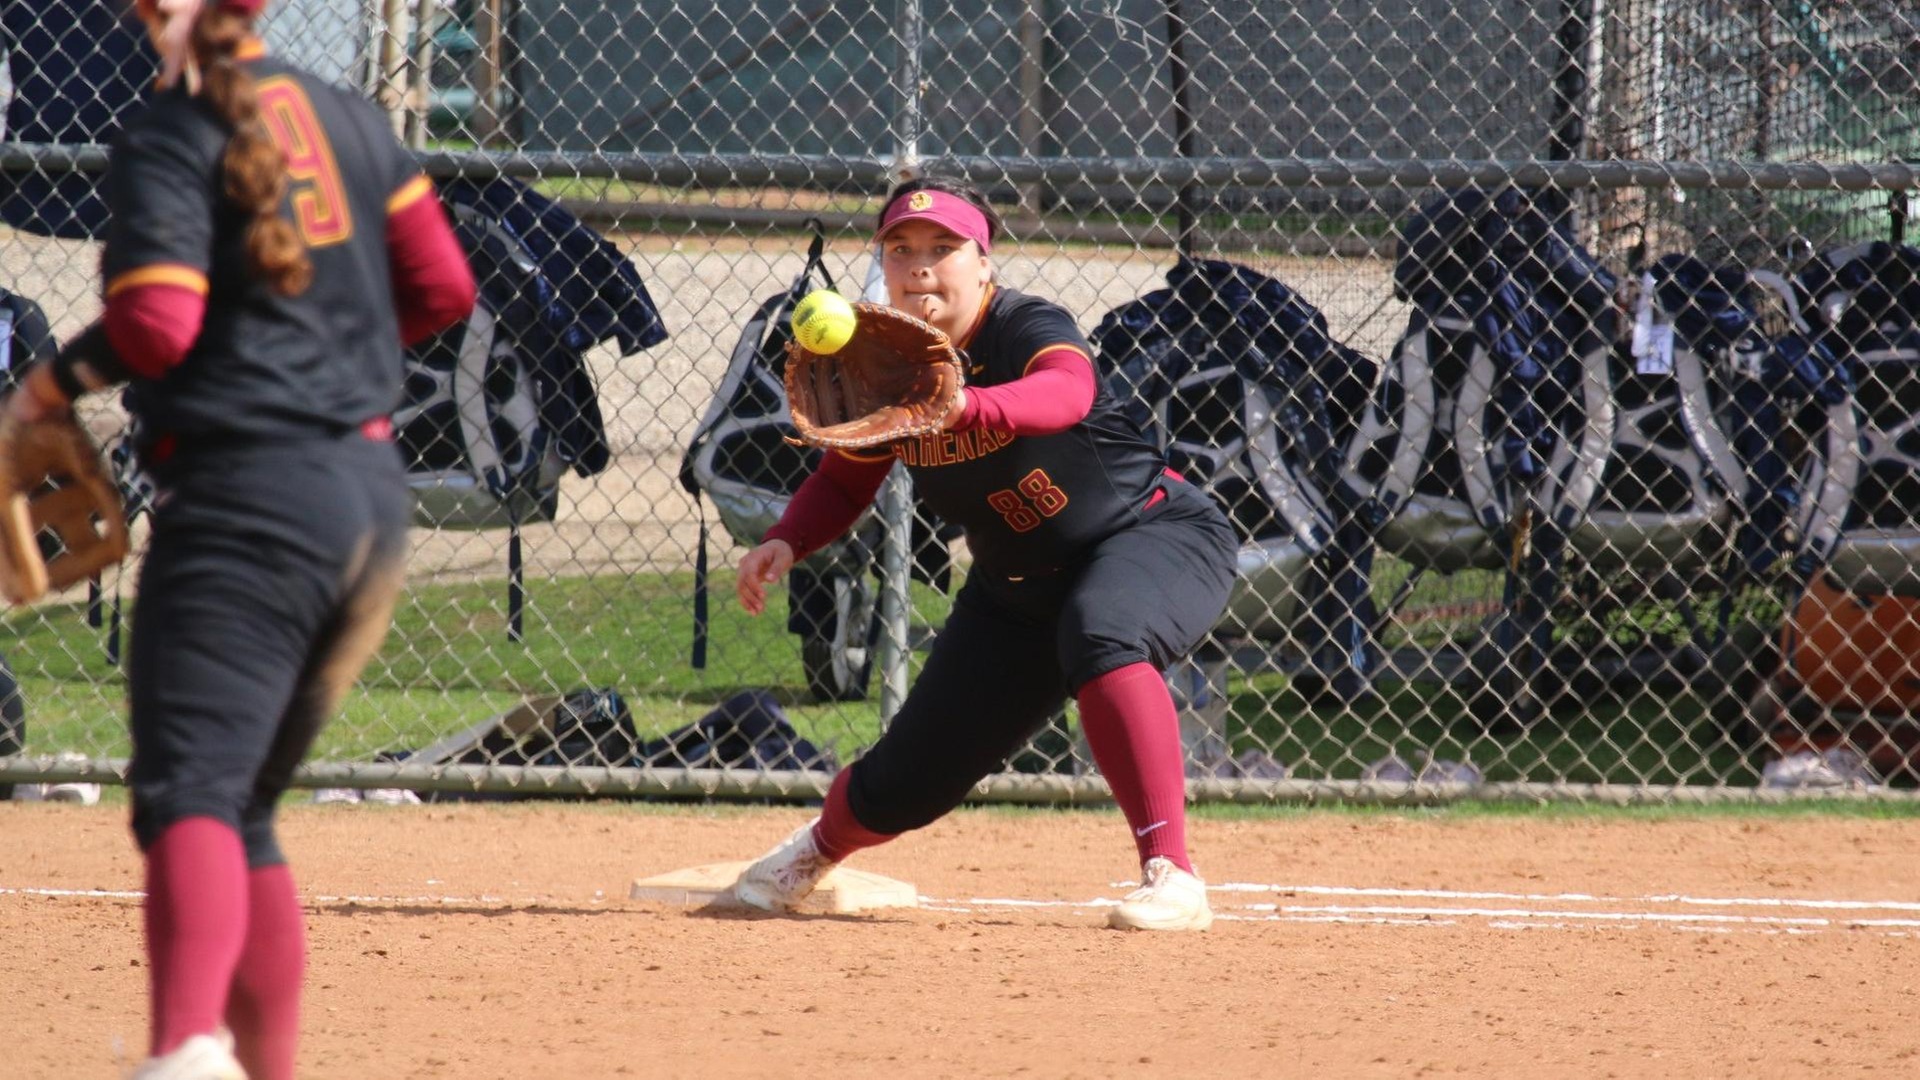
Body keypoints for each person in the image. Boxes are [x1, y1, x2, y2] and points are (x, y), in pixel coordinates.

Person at [2, 1, 475, 1076]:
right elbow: (443, 287)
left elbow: (161, 322)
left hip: (247, 500)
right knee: (241, 806)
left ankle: (181, 1057)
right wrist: (325, 348)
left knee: (192, 796)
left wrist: (46, 383)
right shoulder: (351, 116)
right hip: (364, 497)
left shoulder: (169, 130)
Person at [732, 177, 1238, 931]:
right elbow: (846, 479)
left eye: (944, 249)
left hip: (1151, 534)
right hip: (1016, 588)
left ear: (983, 264)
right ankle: (811, 854)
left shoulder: (1023, 324)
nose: (921, 266)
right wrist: (786, 537)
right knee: (910, 777)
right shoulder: (886, 365)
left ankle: (1172, 874)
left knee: (1104, 631)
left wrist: (967, 404)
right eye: (901, 250)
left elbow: (1066, 391)